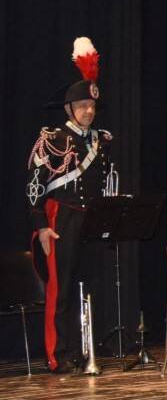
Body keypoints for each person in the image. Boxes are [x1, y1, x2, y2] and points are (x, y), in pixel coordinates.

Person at [26, 37, 114, 373]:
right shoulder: (53, 139)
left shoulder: (101, 142)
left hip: (90, 219)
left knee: (87, 285)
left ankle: (84, 350)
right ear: (69, 109)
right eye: (81, 107)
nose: (88, 111)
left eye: (91, 106)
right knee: (59, 289)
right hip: (60, 216)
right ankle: (56, 353)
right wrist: (41, 226)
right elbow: (35, 185)